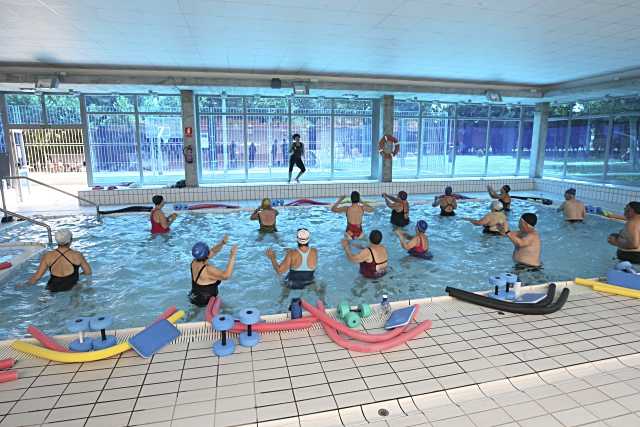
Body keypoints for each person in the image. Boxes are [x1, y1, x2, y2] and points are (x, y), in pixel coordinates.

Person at [27, 229, 91, 292]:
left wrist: (25, 285)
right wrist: (79, 274)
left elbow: (37, 277)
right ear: (70, 240)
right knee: (80, 288)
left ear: (56, 240)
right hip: (72, 286)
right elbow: (88, 272)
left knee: (46, 297)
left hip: (53, 287)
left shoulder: (47, 256)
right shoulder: (77, 255)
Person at [189, 237, 237, 307]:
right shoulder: (208, 270)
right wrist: (233, 255)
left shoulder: (194, 262)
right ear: (207, 254)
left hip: (194, 296)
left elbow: (213, 251)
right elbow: (226, 275)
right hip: (206, 303)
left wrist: (222, 243)